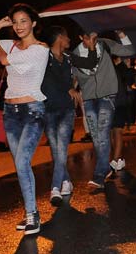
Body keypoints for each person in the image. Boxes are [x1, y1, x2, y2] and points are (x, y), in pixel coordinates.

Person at [0, 4, 50, 235]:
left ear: (34, 23)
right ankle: (30, 213)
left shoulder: (40, 48)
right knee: (19, 165)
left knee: (22, 162)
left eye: (23, 21)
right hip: (11, 113)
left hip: (33, 111)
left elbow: (5, 62)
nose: (18, 26)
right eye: (15, 22)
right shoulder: (10, 44)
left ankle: (32, 215)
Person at [41, 26, 98, 205]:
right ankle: (66, 181)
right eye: (67, 37)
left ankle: (55, 187)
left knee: (61, 149)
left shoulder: (67, 58)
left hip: (66, 110)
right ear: (59, 37)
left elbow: (90, 64)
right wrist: (69, 88)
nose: (69, 40)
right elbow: (48, 78)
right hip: (48, 109)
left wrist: (91, 47)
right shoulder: (43, 56)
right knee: (55, 150)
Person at [72, 29, 135, 189]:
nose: (92, 40)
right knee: (96, 136)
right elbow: (73, 77)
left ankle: (99, 174)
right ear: (81, 38)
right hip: (88, 98)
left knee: (103, 131)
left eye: (94, 36)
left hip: (108, 95)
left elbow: (129, 51)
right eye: (88, 37)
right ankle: (105, 167)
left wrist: (122, 34)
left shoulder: (105, 44)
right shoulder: (75, 54)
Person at [110, 56, 135, 173]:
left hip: (108, 102)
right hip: (119, 101)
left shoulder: (104, 66)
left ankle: (117, 158)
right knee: (117, 131)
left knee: (112, 131)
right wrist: (127, 66)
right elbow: (130, 80)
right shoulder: (119, 67)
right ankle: (116, 159)